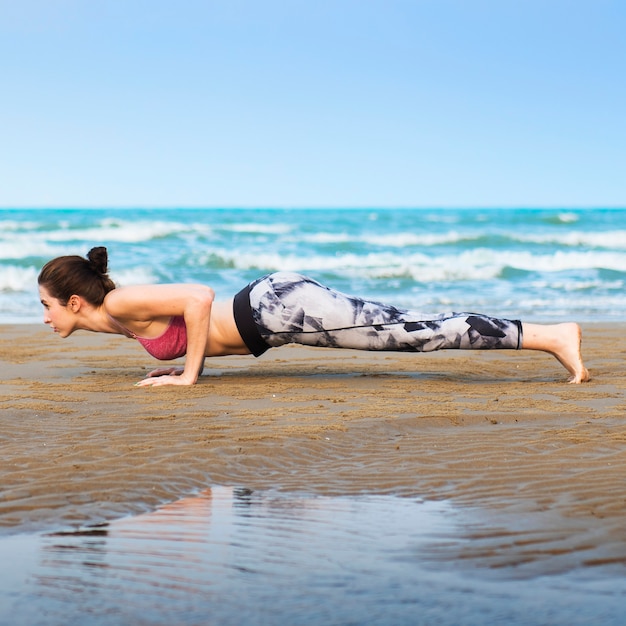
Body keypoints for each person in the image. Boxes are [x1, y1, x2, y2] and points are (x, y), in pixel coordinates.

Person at [37, 247, 589, 387]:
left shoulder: (119, 304)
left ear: (74, 301)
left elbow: (200, 298)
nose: (44, 318)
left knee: (413, 334)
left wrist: (189, 375)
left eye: (46, 305)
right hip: (279, 316)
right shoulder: (114, 319)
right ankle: (547, 335)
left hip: (279, 307)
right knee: (412, 329)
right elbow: (187, 326)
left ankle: (551, 336)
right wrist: (176, 366)